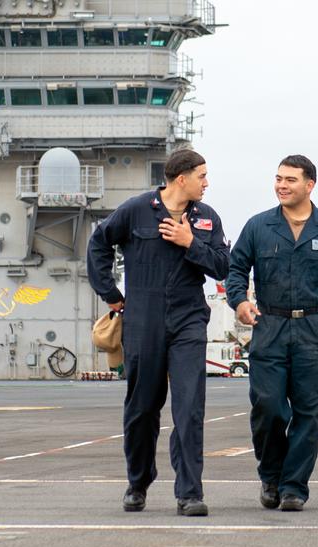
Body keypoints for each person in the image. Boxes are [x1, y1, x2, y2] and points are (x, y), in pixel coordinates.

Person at [87, 149, 229, 516]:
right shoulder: (135, 210)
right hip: (143, 321)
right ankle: (138, 482)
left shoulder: (207, 219)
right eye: (202, 175)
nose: (206, 182)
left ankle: (190, 493)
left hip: (188, 320)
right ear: (181, 178)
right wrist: (112, 295)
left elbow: (222, 266)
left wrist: (190, 243)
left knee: (189, 409)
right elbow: (99, 243)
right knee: (142, 409)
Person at [226, 155, 318, 512]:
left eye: (290, 180)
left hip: (314, 331)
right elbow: (235, 269)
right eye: (278, 178)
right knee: (267, 407)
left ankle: (293, 487)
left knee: (310, 414)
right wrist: (238, 301)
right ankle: (271, 475)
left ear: (309, 185)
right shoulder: (258, 227)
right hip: (269, 327)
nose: (282, 185)